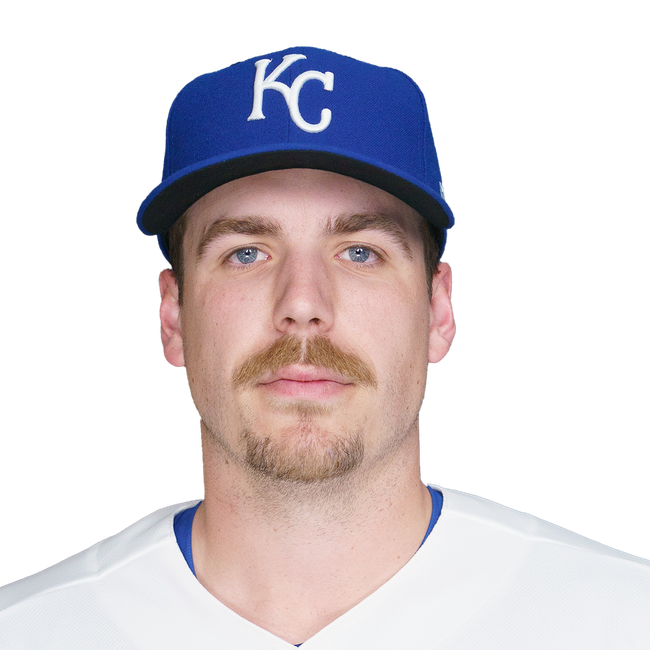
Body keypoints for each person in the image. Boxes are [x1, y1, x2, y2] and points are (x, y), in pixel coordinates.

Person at [1, 45, 648, 649]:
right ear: (172, 316)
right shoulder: (29, 630)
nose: (304, 303)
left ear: (438, 309)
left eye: (360, 252)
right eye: (246, 253)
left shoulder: (621, 619)